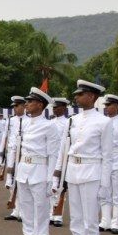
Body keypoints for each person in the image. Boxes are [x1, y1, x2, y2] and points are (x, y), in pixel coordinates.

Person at [53, 80, 113, 235]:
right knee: (77, 219)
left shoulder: (104, 122)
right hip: (74, 171)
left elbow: (107, 156)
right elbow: (63, 149)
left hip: (92, 172)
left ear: (92, 97)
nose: (76, 98)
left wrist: (105, 185)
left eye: (81, 94)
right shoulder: (72, 120)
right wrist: (59, 175)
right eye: (76, 94)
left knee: (90, 220)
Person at [5, 88, 60, 235]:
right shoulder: (24, 124)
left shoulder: (49, 126)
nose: (26, 104)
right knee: (27, 215)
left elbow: (53, 154)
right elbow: (16, 149)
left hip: (40, 172)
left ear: (40, 105)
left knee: (41, 216)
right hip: (24, 171)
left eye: (30, 101)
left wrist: (52, 179)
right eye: (27, 101)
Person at [98, 94, 118, 234]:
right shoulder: (102, 122)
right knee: (104, 191)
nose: (106, 108)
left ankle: (115, 222)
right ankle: (105, 221)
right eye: (105, 106)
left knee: (117, 193)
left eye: (109, 105)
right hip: (104, 159)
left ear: (116, 106)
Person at [0, 96, 26, 221]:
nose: (14, 108)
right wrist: (1, 154)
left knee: (21, 181)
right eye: (13, 106)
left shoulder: (28, 120)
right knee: (10, 181)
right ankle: (15, 209)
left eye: (17, 106)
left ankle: (22, 210)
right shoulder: (10, 120)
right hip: (11, 153)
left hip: (22, 154)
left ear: (23, 106)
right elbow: (5, 137)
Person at [48, 97, 71, 227]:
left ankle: (58, 215)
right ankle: (51, 213)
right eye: (53, 107)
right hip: (51, 158)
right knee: (51, 186)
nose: (54, 109)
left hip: (62, 159)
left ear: (64, 108)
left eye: (57, 107)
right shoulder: (50, 122)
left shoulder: (67, 123)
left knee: (61, 188)